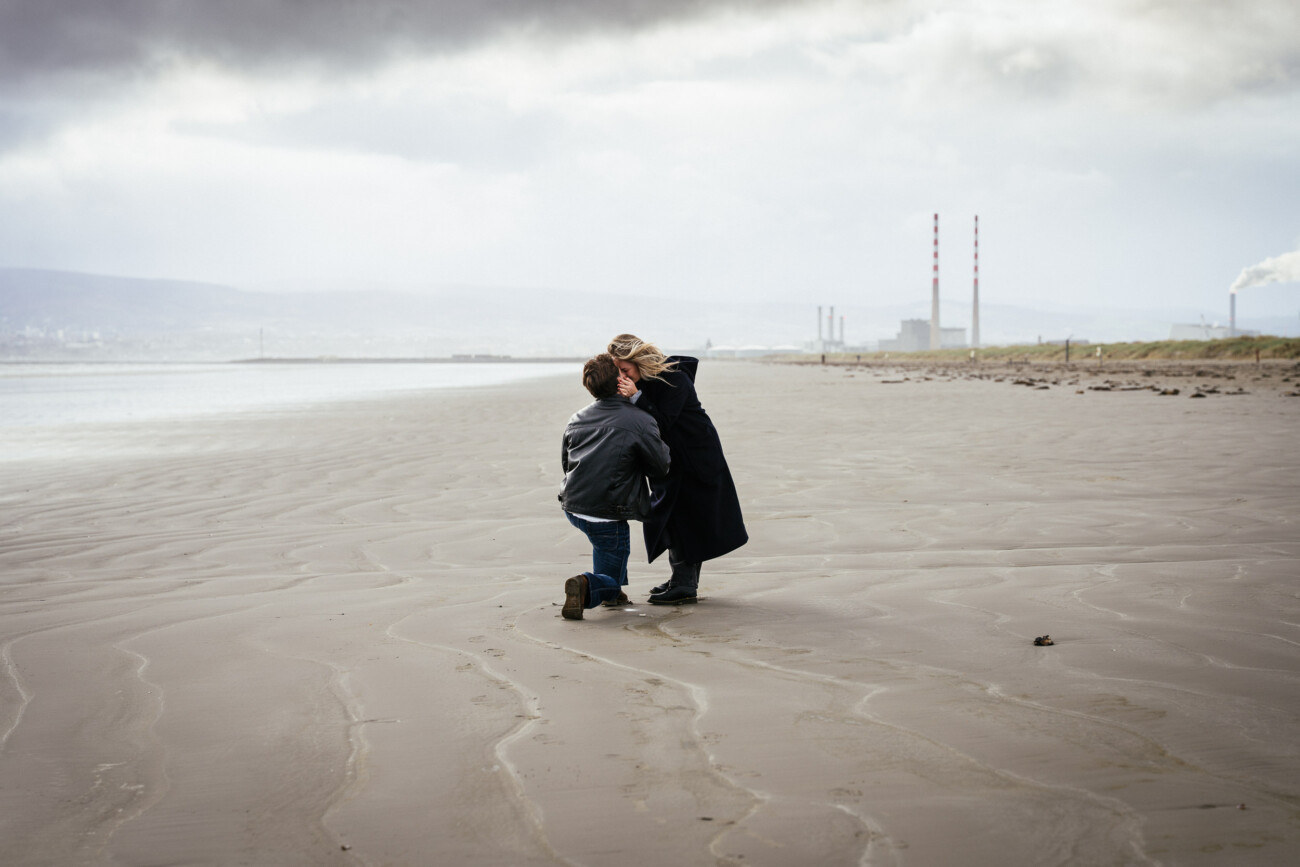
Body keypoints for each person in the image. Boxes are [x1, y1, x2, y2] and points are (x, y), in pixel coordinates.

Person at [608, 334, 748, 604]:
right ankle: (682, 579)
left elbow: (663, 422)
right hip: (671, 458)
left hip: (695, 456)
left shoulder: (675, 378)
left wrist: (636, 397)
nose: (621, 376)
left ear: (639, 361)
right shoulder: (645, 383)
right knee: (675, 516)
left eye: (624, 370)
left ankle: (684, 583)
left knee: (684, 517)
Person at [558, 353, 672, 620]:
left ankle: (612, 590)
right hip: (608, 511)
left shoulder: (576, 418)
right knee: (610, 559)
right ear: (621, 381)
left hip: (573, 505)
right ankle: (589, 585)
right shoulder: (640, 420)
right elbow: (661, 466)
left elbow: (566, 462)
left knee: (605, 547)